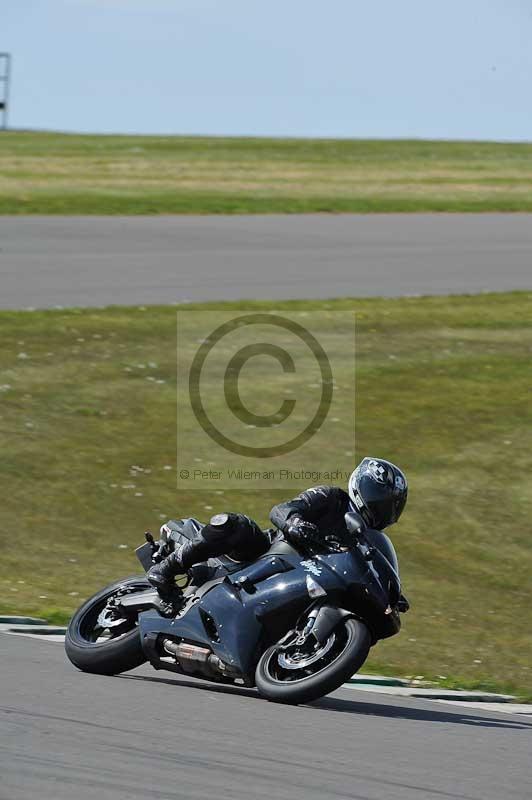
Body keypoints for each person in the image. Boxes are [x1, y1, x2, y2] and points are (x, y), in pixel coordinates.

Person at [147, 457, 408, 594]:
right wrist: (294, 522)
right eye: (380, 499)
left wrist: (393, 594)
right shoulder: (332, 498)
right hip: (268, 554)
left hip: (308, 579)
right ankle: (165, 568)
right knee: (235, 524)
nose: (382, 508)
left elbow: (375, 571)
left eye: (391, 505)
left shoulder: (370, 540)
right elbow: (281, 509)